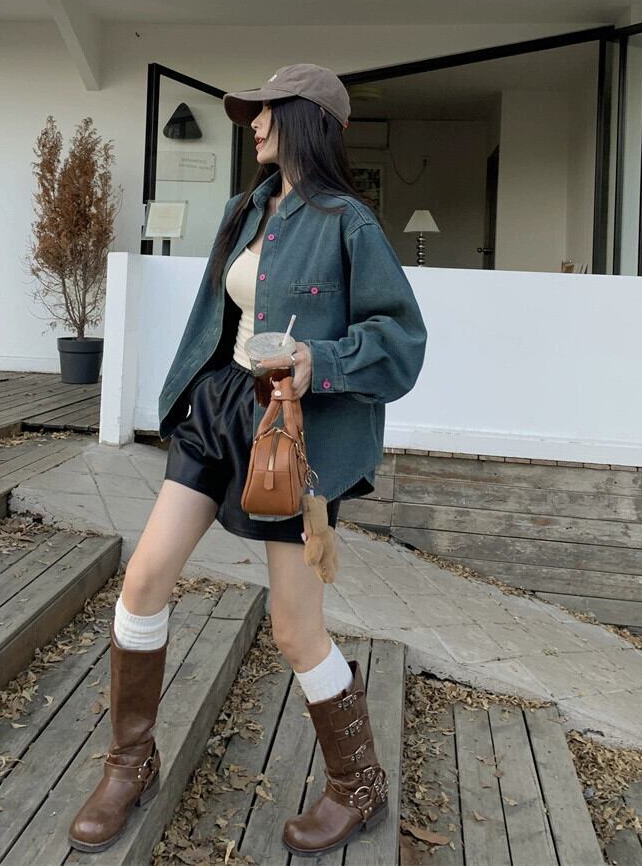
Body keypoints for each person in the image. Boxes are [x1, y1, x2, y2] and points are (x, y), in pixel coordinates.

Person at [68, 63, 427, 857]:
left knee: (295, 629)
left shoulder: (348, 224)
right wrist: (195, 393)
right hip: (221, 409)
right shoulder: (248, 207)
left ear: (303, 121)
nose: (254, 123)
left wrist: (319, 360)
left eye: (266, 111)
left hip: (289, 432)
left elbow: (402, 343)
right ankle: (130, 763)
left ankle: (357, 783)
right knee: (142, 581)